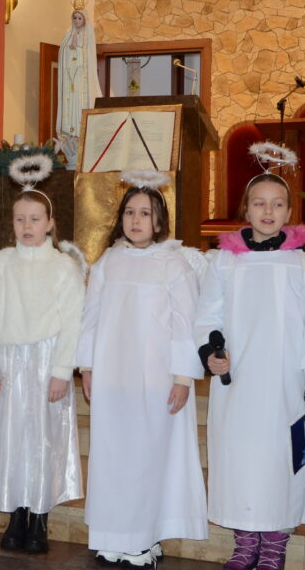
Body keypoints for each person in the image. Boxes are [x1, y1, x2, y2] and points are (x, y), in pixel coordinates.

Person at [194, 152, 305, 570]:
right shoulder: (225, 261)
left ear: (289, 213)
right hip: (240, 385)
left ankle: (274, 544)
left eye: (277, 204)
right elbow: (208, 316)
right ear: (247, 209)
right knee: (240, 460)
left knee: (282, 463)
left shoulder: (304, 265)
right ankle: (244, 543)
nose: (268, 211)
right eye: (259, 203)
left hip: (289, 385)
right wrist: (213, 353)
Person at [78, 171, 207, 568]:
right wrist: (87, 366)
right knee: (112, 456)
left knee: (146, 458)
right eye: (130, 212)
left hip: (155, 379)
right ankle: (112, 536)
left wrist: (183, 377)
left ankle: (143, 539)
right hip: (113, 375)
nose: (136, 220)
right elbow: (91, 317)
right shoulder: (108, 262)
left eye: (145, 213)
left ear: (159, 221)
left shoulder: (173, 264)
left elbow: (186, 324)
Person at [0, 155, 85, 555]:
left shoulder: (64, 267)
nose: (27, 226)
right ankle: (15, 512)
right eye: (20, 219)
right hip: (9, 361)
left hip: (46, 360)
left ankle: (40, 515)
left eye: (35, 219)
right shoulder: (1, 263)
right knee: (11, 438)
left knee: (44, 438)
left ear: (50, 223)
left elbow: (73, 321)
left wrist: (62, 370)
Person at [56, 0, 100, 169]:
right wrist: (70, 48)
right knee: (70, 106)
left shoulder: (88, 35)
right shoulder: (68, 34)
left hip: (82, 80)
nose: (76, 21)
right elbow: (62, 54)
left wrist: (78, 49)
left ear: (84, 19)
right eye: (74, 17)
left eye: (79, 18)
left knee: (80, 107)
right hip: (70, 80)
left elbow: (88, 57)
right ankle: (70, 140)